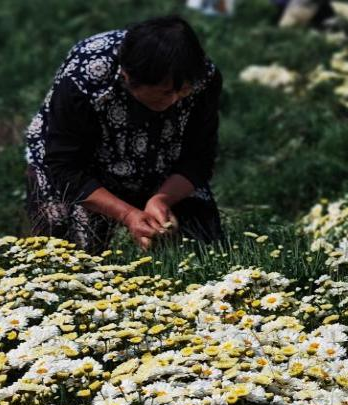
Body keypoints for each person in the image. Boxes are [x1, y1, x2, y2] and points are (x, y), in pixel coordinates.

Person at [25, 16, 224, 253]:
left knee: (204, 248)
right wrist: (128, 214)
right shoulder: (85, 79)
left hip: (161, 164)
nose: (174, 101)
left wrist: (161, 200)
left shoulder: (203, 78)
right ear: (128, 78)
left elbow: (199, 157)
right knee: (69, 252)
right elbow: (65, 167)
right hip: (85, 169)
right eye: (165, 93)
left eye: (182, 92)